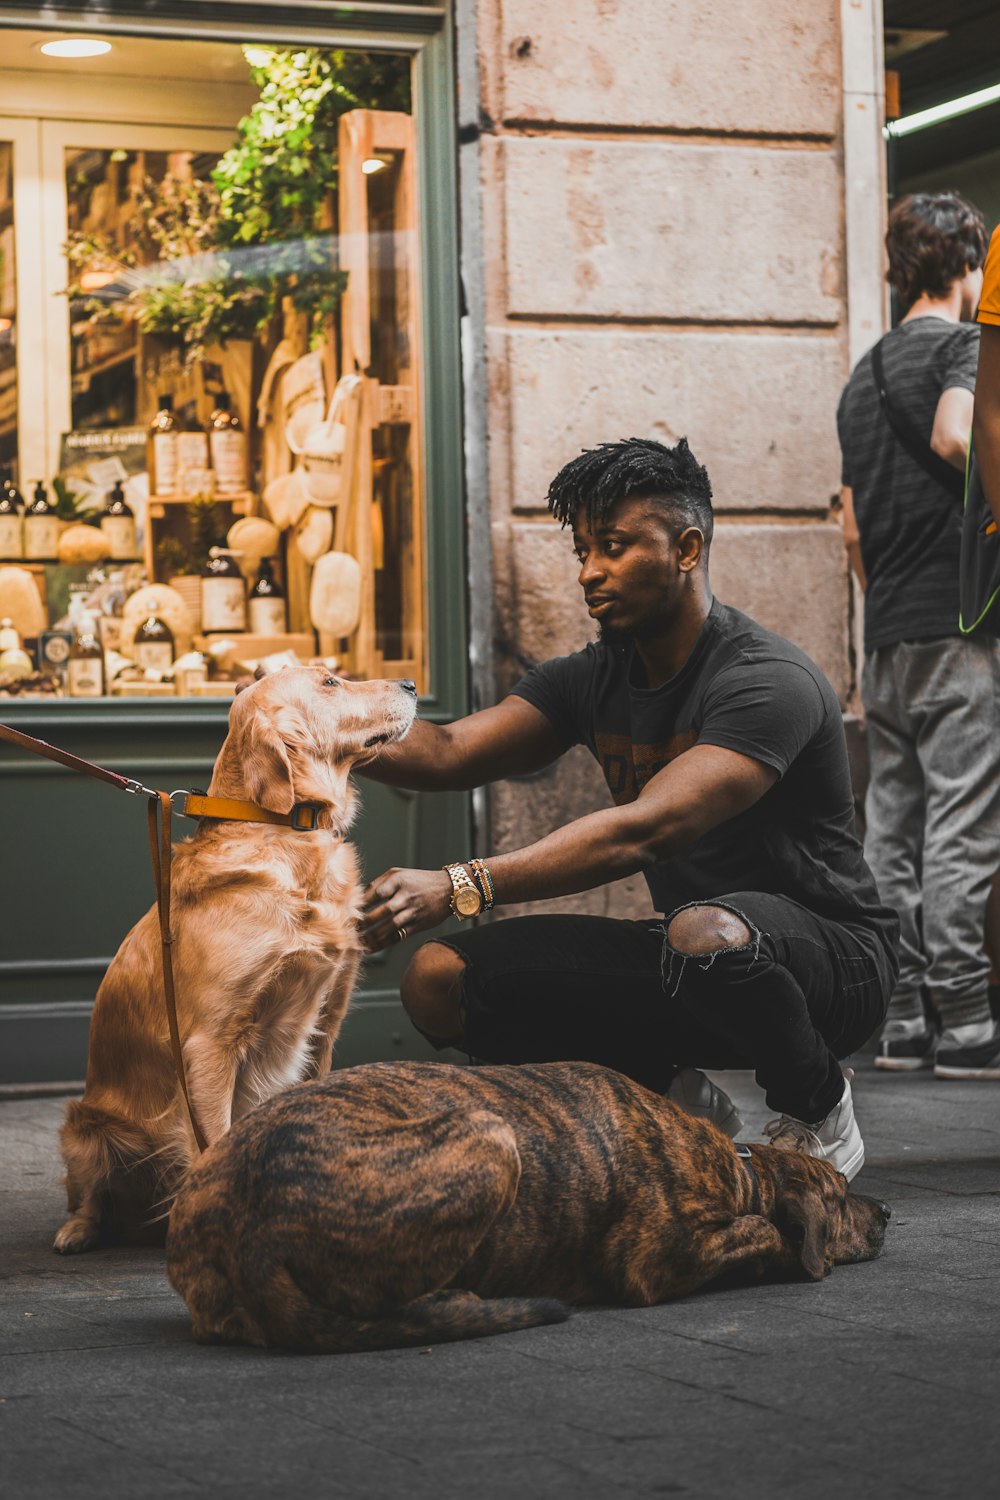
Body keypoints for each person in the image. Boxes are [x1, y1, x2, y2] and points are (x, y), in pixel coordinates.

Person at [358, 437, 898, 1180]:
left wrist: (461, 883)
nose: (589, 572)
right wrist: (312, 716)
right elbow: (449, 751)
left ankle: (817, 1111)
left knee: (704, 932)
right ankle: (679, 1106)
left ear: (686, 548)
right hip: (692, 955)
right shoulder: (593, 677)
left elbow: (648, 829)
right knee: (438, 976)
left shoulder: (766, 678)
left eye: (613, 547)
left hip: (834, 968)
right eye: (583, 550)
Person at [837, 191, 1000, 1078]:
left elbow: (853, 530)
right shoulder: (968, 345)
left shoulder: (859, 380)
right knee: (964, 830)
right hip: (960, 630)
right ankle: (969, 1025)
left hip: (889, 636)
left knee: (889, 837)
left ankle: (899, 1020)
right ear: (969, 266)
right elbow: (951, 434)